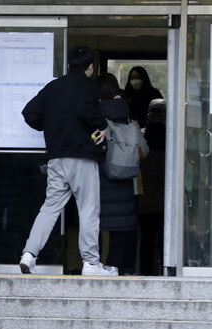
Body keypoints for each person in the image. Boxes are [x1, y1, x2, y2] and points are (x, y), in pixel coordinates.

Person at [19, 46, 117, 277]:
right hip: (82, 157)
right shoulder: (88, 86)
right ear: (90, 67)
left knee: (50, 208)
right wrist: (102, 124)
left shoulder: (53, 86)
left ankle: (29, 254)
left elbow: (29, 113)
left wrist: (52, 127)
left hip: (57, 159)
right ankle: (91, 263)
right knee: (88, 209)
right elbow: (84, 110)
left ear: (69, 65)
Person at [97, 73, 144, 275]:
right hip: (125, 179)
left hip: (100, 178)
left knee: (93, 223)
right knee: (122, 225)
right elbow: (144, 150)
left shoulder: (95, 115)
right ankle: (114, 265)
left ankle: (93, 264)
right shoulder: (129, 118)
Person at [138, 99, 166, 276]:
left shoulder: (141, 138)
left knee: (146, 242)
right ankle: (165, 270)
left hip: (144, 201)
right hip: (163, 202)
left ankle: (146, 273)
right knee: (165, 241)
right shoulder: (171, 140)